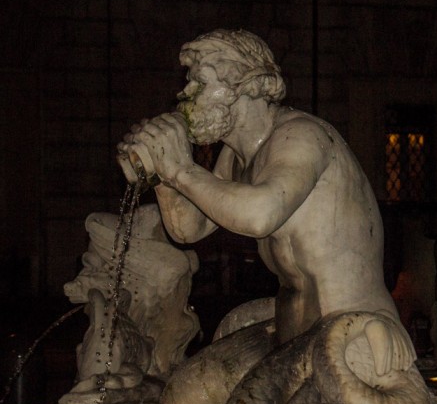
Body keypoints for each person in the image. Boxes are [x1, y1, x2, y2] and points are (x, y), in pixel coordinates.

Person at [118, 29, 415, 382]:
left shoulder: (301, 136)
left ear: (249, 85)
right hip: (295, 333)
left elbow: (260, 216)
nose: (184, 94)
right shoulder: (237, 156)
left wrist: (180, 170)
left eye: (198, 83)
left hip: (353, 333)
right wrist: (161, 177)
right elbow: (189, 229)